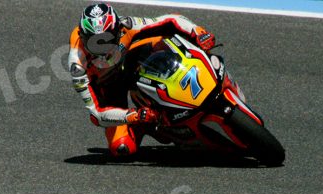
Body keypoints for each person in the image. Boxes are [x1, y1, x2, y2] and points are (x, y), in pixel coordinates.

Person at [68, 3, 216, 156]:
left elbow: (171, 20)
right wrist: (135, 116)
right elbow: (97, 115)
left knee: (163, 38)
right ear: (82, 37)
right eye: (95, 42)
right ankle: (151, 125)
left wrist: (198, 32)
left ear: (118, 30)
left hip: (136, 63)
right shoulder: (77, 65)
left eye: (107, 39)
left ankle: (204, 68)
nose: (103, 48)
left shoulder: (127, 25)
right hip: (110, 87)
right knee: (122, 148)